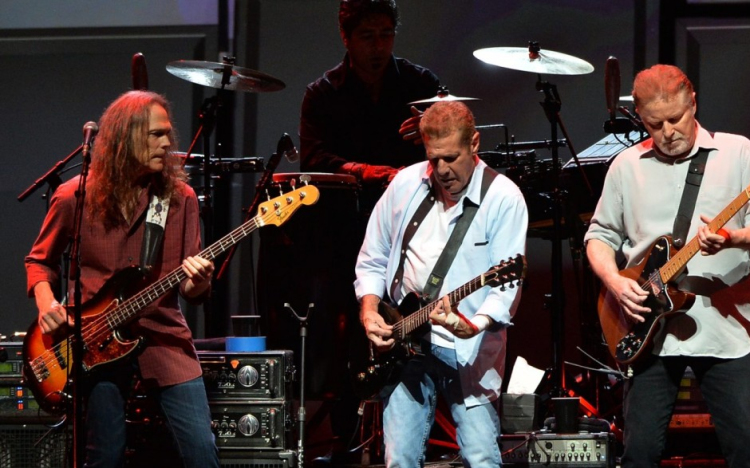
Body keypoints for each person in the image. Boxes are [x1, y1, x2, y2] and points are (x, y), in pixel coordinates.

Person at [25, 90, 219, 467]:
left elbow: (190, 290)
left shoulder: (180, 198)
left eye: (168, 134)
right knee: (105, 455)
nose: (168, 143)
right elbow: (39, 261)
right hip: (94, 343)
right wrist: (47, 304)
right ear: (123, 138)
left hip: (163, 336)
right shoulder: (74, 196)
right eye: (155, 135)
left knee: (200, 451)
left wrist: (199, 282)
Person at [584, 64, 750, 467]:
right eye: (655, 124)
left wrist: (734, 238)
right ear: (641, 118)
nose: (668, 132)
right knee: (639, 453)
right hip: (647, 332)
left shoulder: (739, 153)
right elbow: (599, 236)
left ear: (693, 103)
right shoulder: (625, 166)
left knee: (745, 448)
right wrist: (614, 281)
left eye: (676, 118)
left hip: (725, 331)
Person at [355, 101, 528, 467]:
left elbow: (505, 289)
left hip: (468, 351)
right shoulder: (405, 184)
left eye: (452, 157)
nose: (443, 170)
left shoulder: (503, 198)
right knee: (400, 460)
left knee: (481, 457)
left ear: (474, 143)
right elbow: (373, 257)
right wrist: (369, 311)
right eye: (434, 159)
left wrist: (471, 326)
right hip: (404, 342)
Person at [300, 0, 440, 209]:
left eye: (386, 34)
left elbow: (455, 150)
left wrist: (438, 131)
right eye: (367, 36)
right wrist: (366, 172)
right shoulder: (323, 93)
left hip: (415, 205)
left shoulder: (422, 83)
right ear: (345, 37)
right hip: (345, 211)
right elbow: (313, 160)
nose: (379, 47)